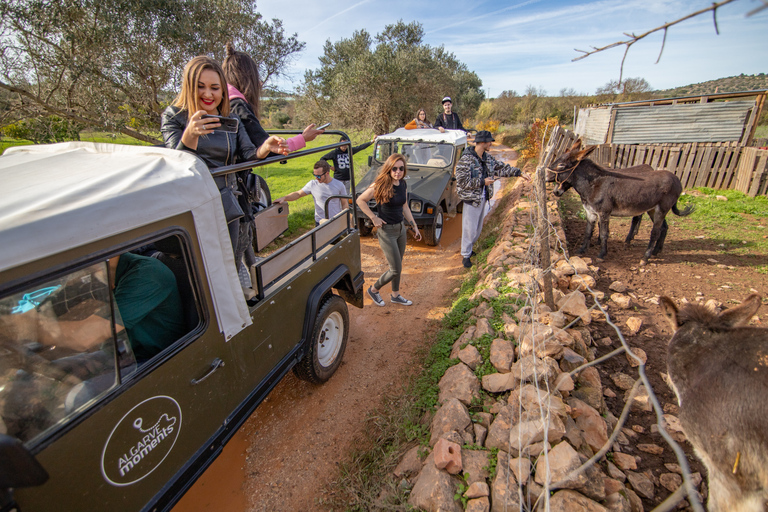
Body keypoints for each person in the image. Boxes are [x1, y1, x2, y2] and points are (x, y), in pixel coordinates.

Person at [160, 56, 286, 295]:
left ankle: (233, 301)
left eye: (215, 88)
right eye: (201, 86)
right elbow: (174, 167)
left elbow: (249, 154)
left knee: (229, 259)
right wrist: (190, 137)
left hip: (228, 203)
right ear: (189, 86)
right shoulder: (174, 117)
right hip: (193, 206)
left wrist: (265, 147)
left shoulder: (231, 120)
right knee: (200, 266)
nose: (208, 94)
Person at [222, 42, 325, 157]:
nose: (259, 83)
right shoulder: (237, 105)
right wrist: (303, 138)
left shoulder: (225, 100)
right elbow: (267, 147)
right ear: (248, 78)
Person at [456, 130, 530, 268]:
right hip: (471, 199)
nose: (491, 143)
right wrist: (483, 182)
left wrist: (519, 173)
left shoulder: (487, 158)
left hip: (483, 198)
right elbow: (462, 182)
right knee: (469, 229)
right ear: (483, 142)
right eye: (490, 141)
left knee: (477, 229)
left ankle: (470, 250)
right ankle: (465, 256)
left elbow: (501, 168)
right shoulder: (466, 159)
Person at [356, 154, 422, 307]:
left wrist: (414, 226)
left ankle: (395, 295)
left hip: (400, 229)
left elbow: (405, 207)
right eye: (394, 168)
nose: (397, 171)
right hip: (386, 231)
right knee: (395, 269)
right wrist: (373, 218)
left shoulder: (403, 184)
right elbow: (360, 200)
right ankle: (374, 289)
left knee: (398, 265)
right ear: (389, 168)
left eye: (401, 168)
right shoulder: (380, 185)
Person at [274, 161, 347, 225]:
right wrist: (285, 198)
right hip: (320, 222)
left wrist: (345, 220)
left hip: (335, 221)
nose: (316, 178)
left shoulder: (339, 185)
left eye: (318, 176)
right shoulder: (312, 184)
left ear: (327, 173)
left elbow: (344, 204)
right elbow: (298, 194)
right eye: (314, 175)